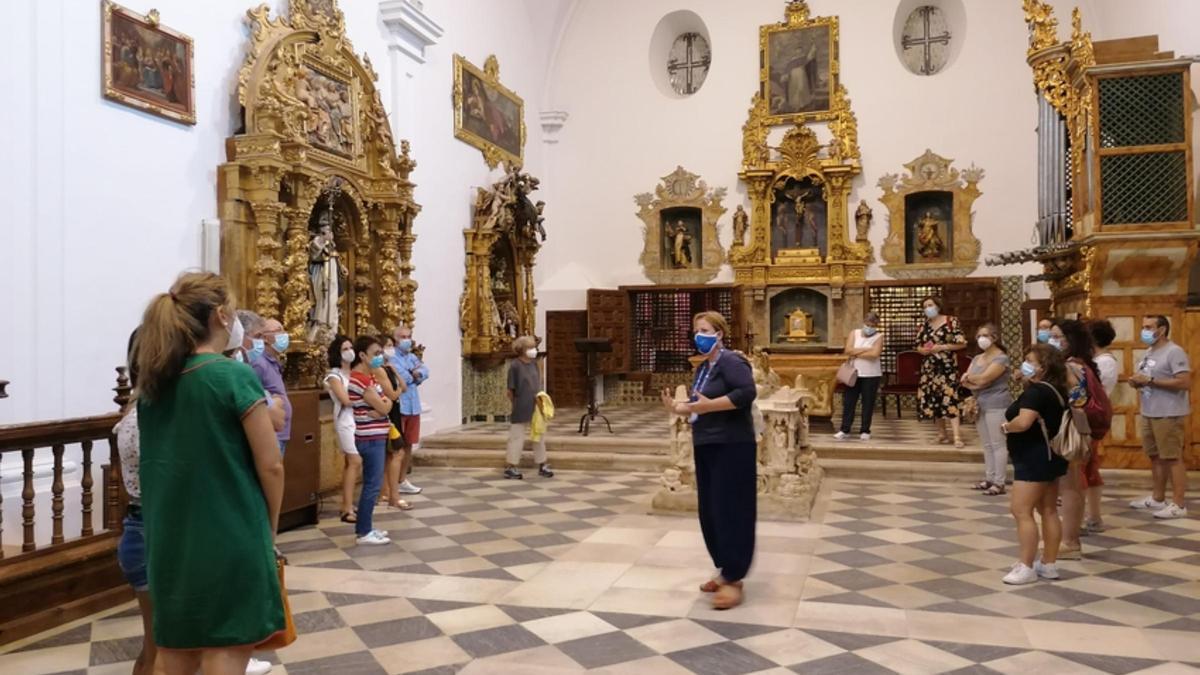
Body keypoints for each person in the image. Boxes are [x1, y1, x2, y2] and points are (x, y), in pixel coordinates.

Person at [135, 271, 286, 673]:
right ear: (221, 315)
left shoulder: (153, 385)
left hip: (170, 541)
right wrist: (268, 528)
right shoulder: (231, 375)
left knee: (173, 653)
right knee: (226, 647)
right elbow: (271, 464)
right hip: (230, 533)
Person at [660, 311, 758, 609]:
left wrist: (708, 406)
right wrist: (678, 408)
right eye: (696, 330)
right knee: (712, 510)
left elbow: (746, 392)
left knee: (731, 511)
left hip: (732, 446)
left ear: (719, 333)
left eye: (704, 330)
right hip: (707, 444)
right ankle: (724, 567)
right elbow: (698, 405)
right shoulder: (704, 367)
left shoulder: (731, 361)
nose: (698, 335)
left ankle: (734, 577)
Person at [999, 344, 1070, 585]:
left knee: (1021, 510)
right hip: (1051, 456)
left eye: (1029, 361)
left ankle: (1026, 565)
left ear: (1043, 367)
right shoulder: (1056, 389)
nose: (1024, 365)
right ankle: (1048, 564)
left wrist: (1006, 427)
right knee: (1048, 510)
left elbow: (1024, 421)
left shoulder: (1037, 391)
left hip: (1033, 457)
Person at [1129, 315, 1191, 519]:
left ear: (1162, 330)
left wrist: (1151, 380)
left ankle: (1179, 504)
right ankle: (1158, 498)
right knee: (1155, 456)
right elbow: (1147, 377)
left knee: (1172, 457)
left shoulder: (1174, 351)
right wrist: (1138, 381)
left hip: (1168, 412)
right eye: (1143, 326)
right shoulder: (1149, 351)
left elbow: (1184, 382)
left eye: (1148, 327)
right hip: (1149, 410)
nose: (1144, 330)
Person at [1048, 319, 1098, 559]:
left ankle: (1070, 541)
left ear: (1070, 340)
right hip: (1072, 426)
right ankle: (1069, 538)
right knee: (1071, 483)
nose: (1052, 340)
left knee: (1071, 484)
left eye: (1057, 336)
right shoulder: (1079, 364)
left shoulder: (1071, 366)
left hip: (1070, 428)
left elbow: (1077, 398)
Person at [348, 336, 395, 544]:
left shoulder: (371, 378)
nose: (379, 357)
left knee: (373, 484)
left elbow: (388, 400)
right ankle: (364, 532)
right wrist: (382, 408)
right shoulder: (359, 379)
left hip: (376, 434)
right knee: (372, 485)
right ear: (362, 355)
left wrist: (383, 407)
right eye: (375, 353)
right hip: (369, 436)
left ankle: (365, 527)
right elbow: (385, 406)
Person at [962, 323, 1012, 496]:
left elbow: (985, 379)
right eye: (978, 336)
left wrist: (974, 379)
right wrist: (973, 380)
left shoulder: (1001, 358)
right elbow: (966, 380)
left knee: (998, 444)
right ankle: (989, 478)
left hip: (997, 403)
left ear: (994, 338)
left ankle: (999, 482)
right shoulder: (977, 358)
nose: (981, 339)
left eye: (985, 335)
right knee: (987, 444)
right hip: (979, 403)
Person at [916, 296, 968, 447]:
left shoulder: (951, 322)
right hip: (929, 368)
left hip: (947, 367)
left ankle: (957, 436)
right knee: (934, 400)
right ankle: (941, 434)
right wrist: (923, 351)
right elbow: (918, 346)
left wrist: (943, 347)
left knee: (950, 398)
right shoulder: (924, 325)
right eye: (925, 306)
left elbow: (961, 343)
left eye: (930, 305)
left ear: (938, 306)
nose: (928, 308)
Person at [240, 312, 293, 454]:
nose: (284, 334)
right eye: (278, 330)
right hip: (270, 432)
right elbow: (252, 397)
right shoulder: (258, 362)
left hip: (280, 431)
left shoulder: (274, 362)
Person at [1084, 319, 1119, 532]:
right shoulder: (1095, 360)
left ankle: (1094, 516)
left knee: (1089, 468)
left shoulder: (1104, 362)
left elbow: (1095, 391)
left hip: (1093, 418)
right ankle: (1092, 515)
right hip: (1088, 416)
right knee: (1088, 467)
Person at [505, 336, 554, 480]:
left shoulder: (534, 364)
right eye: (530, 348)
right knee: (516, 437)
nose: (533, 350)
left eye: (534, 347)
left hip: (536, 404)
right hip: (521, 404)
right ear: (522, 350)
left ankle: (542, 464)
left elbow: (538, 383)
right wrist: (516, 404)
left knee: (539, 435)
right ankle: (511, 466)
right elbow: (510, 390)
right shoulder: (515, 366)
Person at [324, 334, 360, 523]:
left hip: (360, 420)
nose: (349, 352)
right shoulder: (334, 375)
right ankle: (346, 508)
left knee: (352, 463)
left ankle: (348, 502)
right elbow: (345, 399)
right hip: (345, 421)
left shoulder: (356, 372)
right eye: (345, 349)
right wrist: (366, 397)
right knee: (354, 460)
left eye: (351, 348)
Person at [389, 324, 428, 496]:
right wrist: (413, 374)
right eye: (402, 337)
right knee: (396, 446)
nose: (406, 340)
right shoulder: (391, 357)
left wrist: (416, 374)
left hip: (413, 405)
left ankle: (402, 479)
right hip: (400, 405)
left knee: (410, 443)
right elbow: (402, 376)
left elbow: (425, 371)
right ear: (395, 339)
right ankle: (392, 480)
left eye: (408, 336)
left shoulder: (412, 356)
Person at [374, 335, 411, 511]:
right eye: (385, 347)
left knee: (392, 454)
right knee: (396, 452)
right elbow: (393, 394)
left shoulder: (388, 368)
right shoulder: (379, 370)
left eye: (391, 346)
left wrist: (395, 371)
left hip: (394, 411)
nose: (389, 350)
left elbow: (403, 387)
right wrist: (395, 391)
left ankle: (388, 492)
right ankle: (388, 493)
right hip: (389, 413)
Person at [835, 312, 883, 441]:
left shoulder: (879, 336)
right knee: (849, 402)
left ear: (876, 325)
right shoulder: (854, 333)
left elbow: (875, 354)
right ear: (863, 322)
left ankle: (865, 430)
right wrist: (867, 349)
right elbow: (848, 350)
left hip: (871, 374)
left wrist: (856, 352)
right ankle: (845, 429)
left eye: (872, 325)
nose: (869, 327)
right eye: (867, 324)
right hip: (854, 373)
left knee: (868, 403)